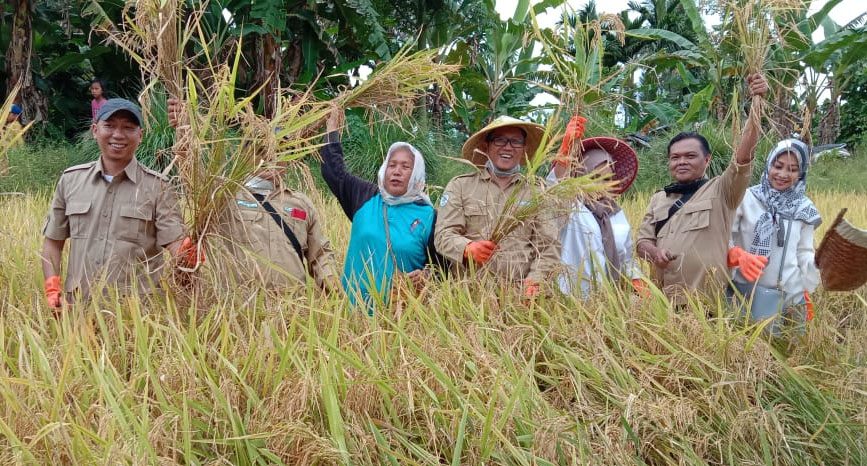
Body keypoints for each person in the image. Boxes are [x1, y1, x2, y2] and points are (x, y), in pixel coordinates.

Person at [41, 98, 201, 311]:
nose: (118, 134)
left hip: (137, 315)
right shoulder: (71, 181)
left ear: (140, 135)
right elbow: (53, 241)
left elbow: (175, 243)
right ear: (95, 130)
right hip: (78, 309)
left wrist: (188, 252)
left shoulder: (158, 187)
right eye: (110, 126)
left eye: (128, 127)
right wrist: (53, 287)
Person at [166, 98, 338, 291]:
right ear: (246, 154)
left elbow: (321, 255)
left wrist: (333, 284)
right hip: (240, 313)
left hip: (292, 312)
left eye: (279, 151)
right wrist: (184, 129)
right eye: (261, 150)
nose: (270, 158)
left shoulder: (301, 203)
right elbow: (193, 174)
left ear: (289, 159)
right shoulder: (223, 195)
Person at [635, 73, 769, 304]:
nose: (682, 161)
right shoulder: (659, 198)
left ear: (707, 160)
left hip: (706, 306)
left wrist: (758, 103)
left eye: (690, 156)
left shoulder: (723, 191)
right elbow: (642, 243)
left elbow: (743, 156)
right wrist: (655, 254)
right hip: (660, 303)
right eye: (675, 157)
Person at [321, 107, 442, 308]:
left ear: (417, 174)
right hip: (352, 315)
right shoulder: (363, 196)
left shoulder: (429, 216)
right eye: (392, 165)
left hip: (401, 319)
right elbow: (333, 171)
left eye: (405, 167)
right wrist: (332, 127)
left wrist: (426, 275)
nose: (397, 172)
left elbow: (442, 267)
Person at [434, 116, 561, 297]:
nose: (508, 147)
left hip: (520, 298)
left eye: (516, 142)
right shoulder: (460, 186)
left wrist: (535, 281)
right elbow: (443, 235)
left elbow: (549, 246)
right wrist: (467, 248)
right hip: (468, 296)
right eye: (500, 140)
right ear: (487, 146)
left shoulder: (536, 192)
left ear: (524, 149)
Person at [729, 138, 821, 330]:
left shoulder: (804, 209)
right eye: (778, 166)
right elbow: (723, 239)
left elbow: (803, 252)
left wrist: (814, 270)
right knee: (752, 349)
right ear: (769, 164)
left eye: (793, 169)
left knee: (790, 353)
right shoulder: (746, 199)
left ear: (801, 172)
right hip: (748, 292)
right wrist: (738, 256)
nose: (783, 174)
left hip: (791, 294)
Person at [550, 116, 644, 296]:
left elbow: (626, 258)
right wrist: (565, 153)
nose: (601, 185)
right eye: (594, 178)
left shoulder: (616, 214)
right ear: (579, 176)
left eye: (607, 179)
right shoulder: (568, 206)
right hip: (571, 300)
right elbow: (556, 187)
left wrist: (637, 280)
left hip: (608, 300)